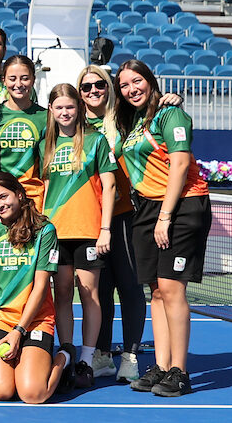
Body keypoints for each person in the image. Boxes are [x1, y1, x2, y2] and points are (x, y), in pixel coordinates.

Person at [115, 60, 211, 398]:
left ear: (150, 81)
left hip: (181, 206)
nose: (131, 89)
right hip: (148, 207)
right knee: (154, 290)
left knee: (171, 289)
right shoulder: (134, 122)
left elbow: (181, 164)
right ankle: (161, 365)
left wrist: (166, 217)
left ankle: (180, 372)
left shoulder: (171, 115)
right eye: (124, 85)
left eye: (137, 81)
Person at [77, 64, 165, 383]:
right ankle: (101, 355)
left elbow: (152, 108)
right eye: (86, 87)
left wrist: (170, 99)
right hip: (87, 217)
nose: (93, 91)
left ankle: (129, 356)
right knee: (100, 288)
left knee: (129, 285)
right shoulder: (74, 122)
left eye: (100, 85)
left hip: (124, 215)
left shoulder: (123, 118)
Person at [39, 83, 117, 391]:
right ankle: (68, 352)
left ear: (78, 108)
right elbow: (43, 189)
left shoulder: (96, 141)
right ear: (52, 111)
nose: (64, 112)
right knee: (61, 296)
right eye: (59, 108)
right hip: (55, 234)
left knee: (89, 294)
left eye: (69, 107)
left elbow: (110, 187)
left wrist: (105, 229)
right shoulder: (47, 143)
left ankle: (86, 358)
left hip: (88, 232)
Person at [0, 172, 68, 404]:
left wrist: (19, 331)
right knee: (1, 392)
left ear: (19, 193)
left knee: (32, 394)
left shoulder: (45, 231)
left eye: (3, 197)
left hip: (35, 320)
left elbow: (40, 286)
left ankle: (65, 356)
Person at [0, 55, 47, 208]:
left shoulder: (46, 117)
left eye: (24, 78)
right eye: (12, 78)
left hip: (33, 199)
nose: (18, 84)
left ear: (34, 79)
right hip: (1, 201)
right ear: (4, 80)